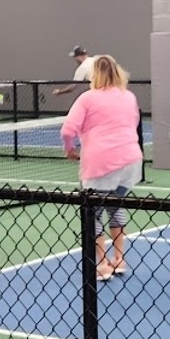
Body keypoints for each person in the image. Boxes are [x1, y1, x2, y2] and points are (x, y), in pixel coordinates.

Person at [60, 55, 143, 281]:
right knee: (115, 206)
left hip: (101, 165)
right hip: (131, 163)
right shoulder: (129, 97)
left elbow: (68, 130)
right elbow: (133, 124)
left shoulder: (87, 99)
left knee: (93, 213)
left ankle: (103, 264)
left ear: (94, 74)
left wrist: (69, 150)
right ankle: (119, 259)